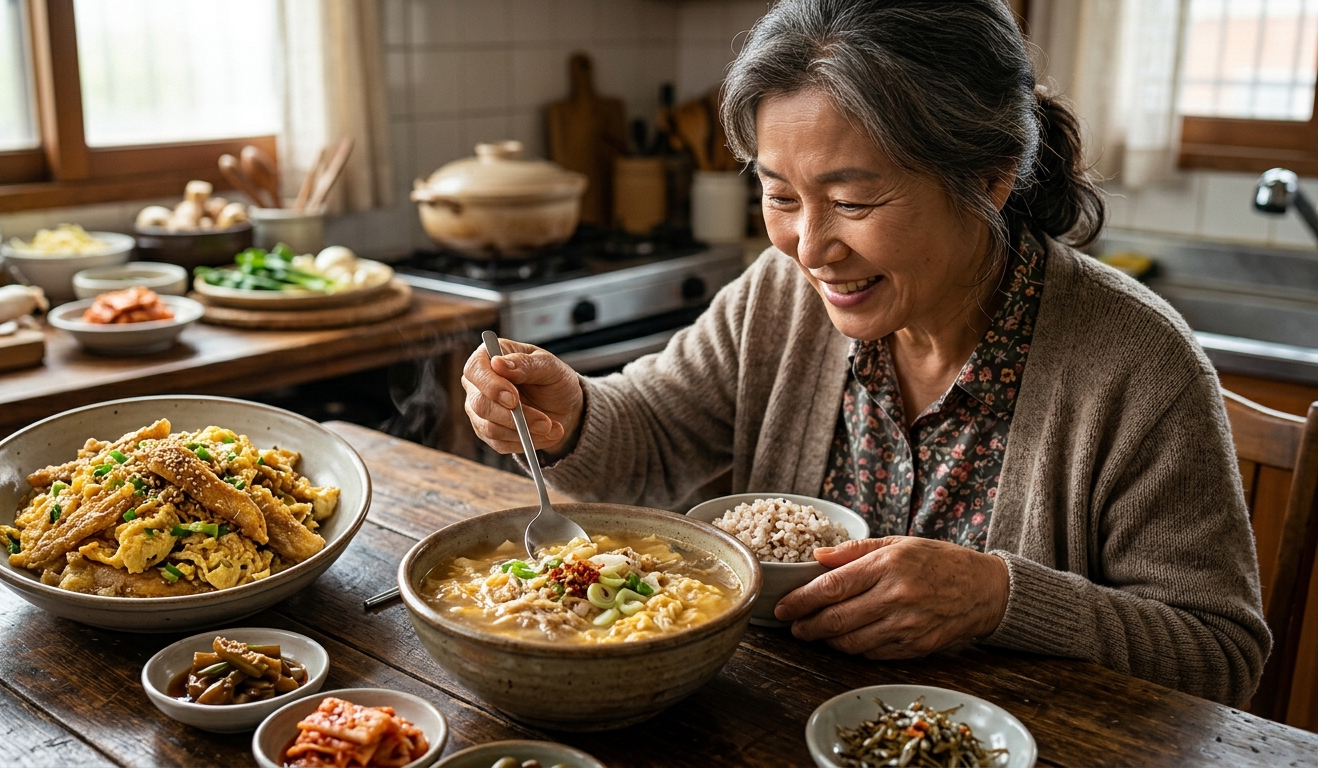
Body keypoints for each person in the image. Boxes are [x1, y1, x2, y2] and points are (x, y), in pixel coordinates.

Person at [461, 0, 1269, 706]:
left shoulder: (1140, 363)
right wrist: (572, 414)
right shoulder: (780, 296)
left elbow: (1219, 657)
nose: (810, 248)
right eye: (780, 195)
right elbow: (656, 429)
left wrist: (1000, 598)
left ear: (990, 179)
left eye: (852, 201)